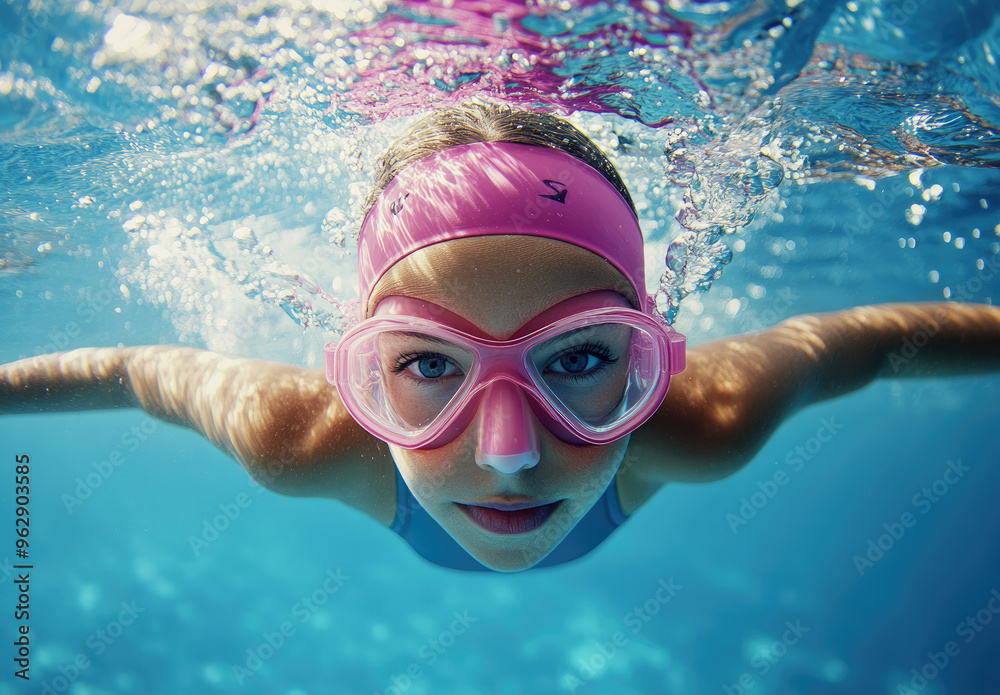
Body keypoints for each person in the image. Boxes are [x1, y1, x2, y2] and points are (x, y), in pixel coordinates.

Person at [3, 104, 999, 573]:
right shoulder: (293, 430)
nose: (510, 451)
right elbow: (131, 370)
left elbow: (867, 339)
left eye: (578, 358)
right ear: (358, 367)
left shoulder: (701, 419)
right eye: (427, 364)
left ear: (651, 354)